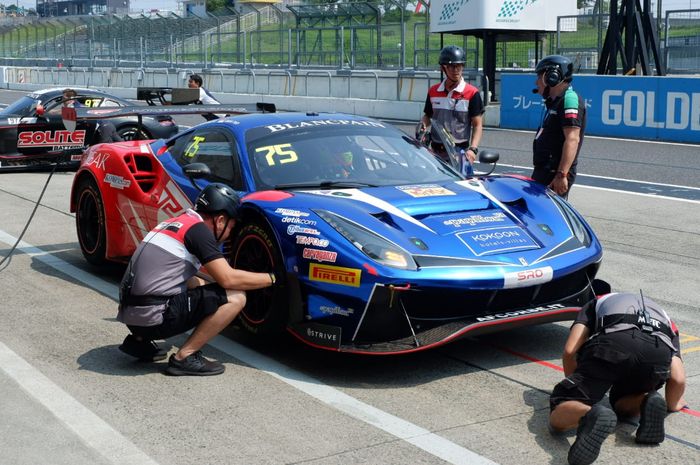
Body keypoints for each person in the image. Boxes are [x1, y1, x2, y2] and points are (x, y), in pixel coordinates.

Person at [117, 183, 276, 376]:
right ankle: (185, 357)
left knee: (196, 281)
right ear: (220, 220)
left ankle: (139, 341)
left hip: (131, 316)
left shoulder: (175, 222)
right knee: (236, 296)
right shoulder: (199, 231)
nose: (228, 235)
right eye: (231, 228)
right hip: (154, 319)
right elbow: (228, 279)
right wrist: (272, 278)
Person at [549, 291, 687, 465]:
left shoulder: (594, 303)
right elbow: (678, 378)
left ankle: (589, 414)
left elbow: (570, 350)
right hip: (656, 354)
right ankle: (645, 400)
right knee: (622, 401)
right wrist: (673, 404)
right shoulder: (666, 320)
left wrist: (577, 390)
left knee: (558, 412)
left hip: (615, 343)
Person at [531, 55, 586, 199]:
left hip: (555, 173)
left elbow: (572, 139)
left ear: (552, 76)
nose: (537, 82)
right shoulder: (554, 101)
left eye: (539, 76)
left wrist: (562, 174)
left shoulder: (569, 99)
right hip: (546, 170)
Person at [419, 45, 484, 166]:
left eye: (459, 66)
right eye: (452, 66)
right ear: (443, 68)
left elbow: (477, 124)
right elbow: (427, 116)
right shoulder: (433, 91)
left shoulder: (472, 93)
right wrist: (422, 127)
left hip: (460, 152)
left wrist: (473, 149)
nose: (456, 70)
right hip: (435, 152)